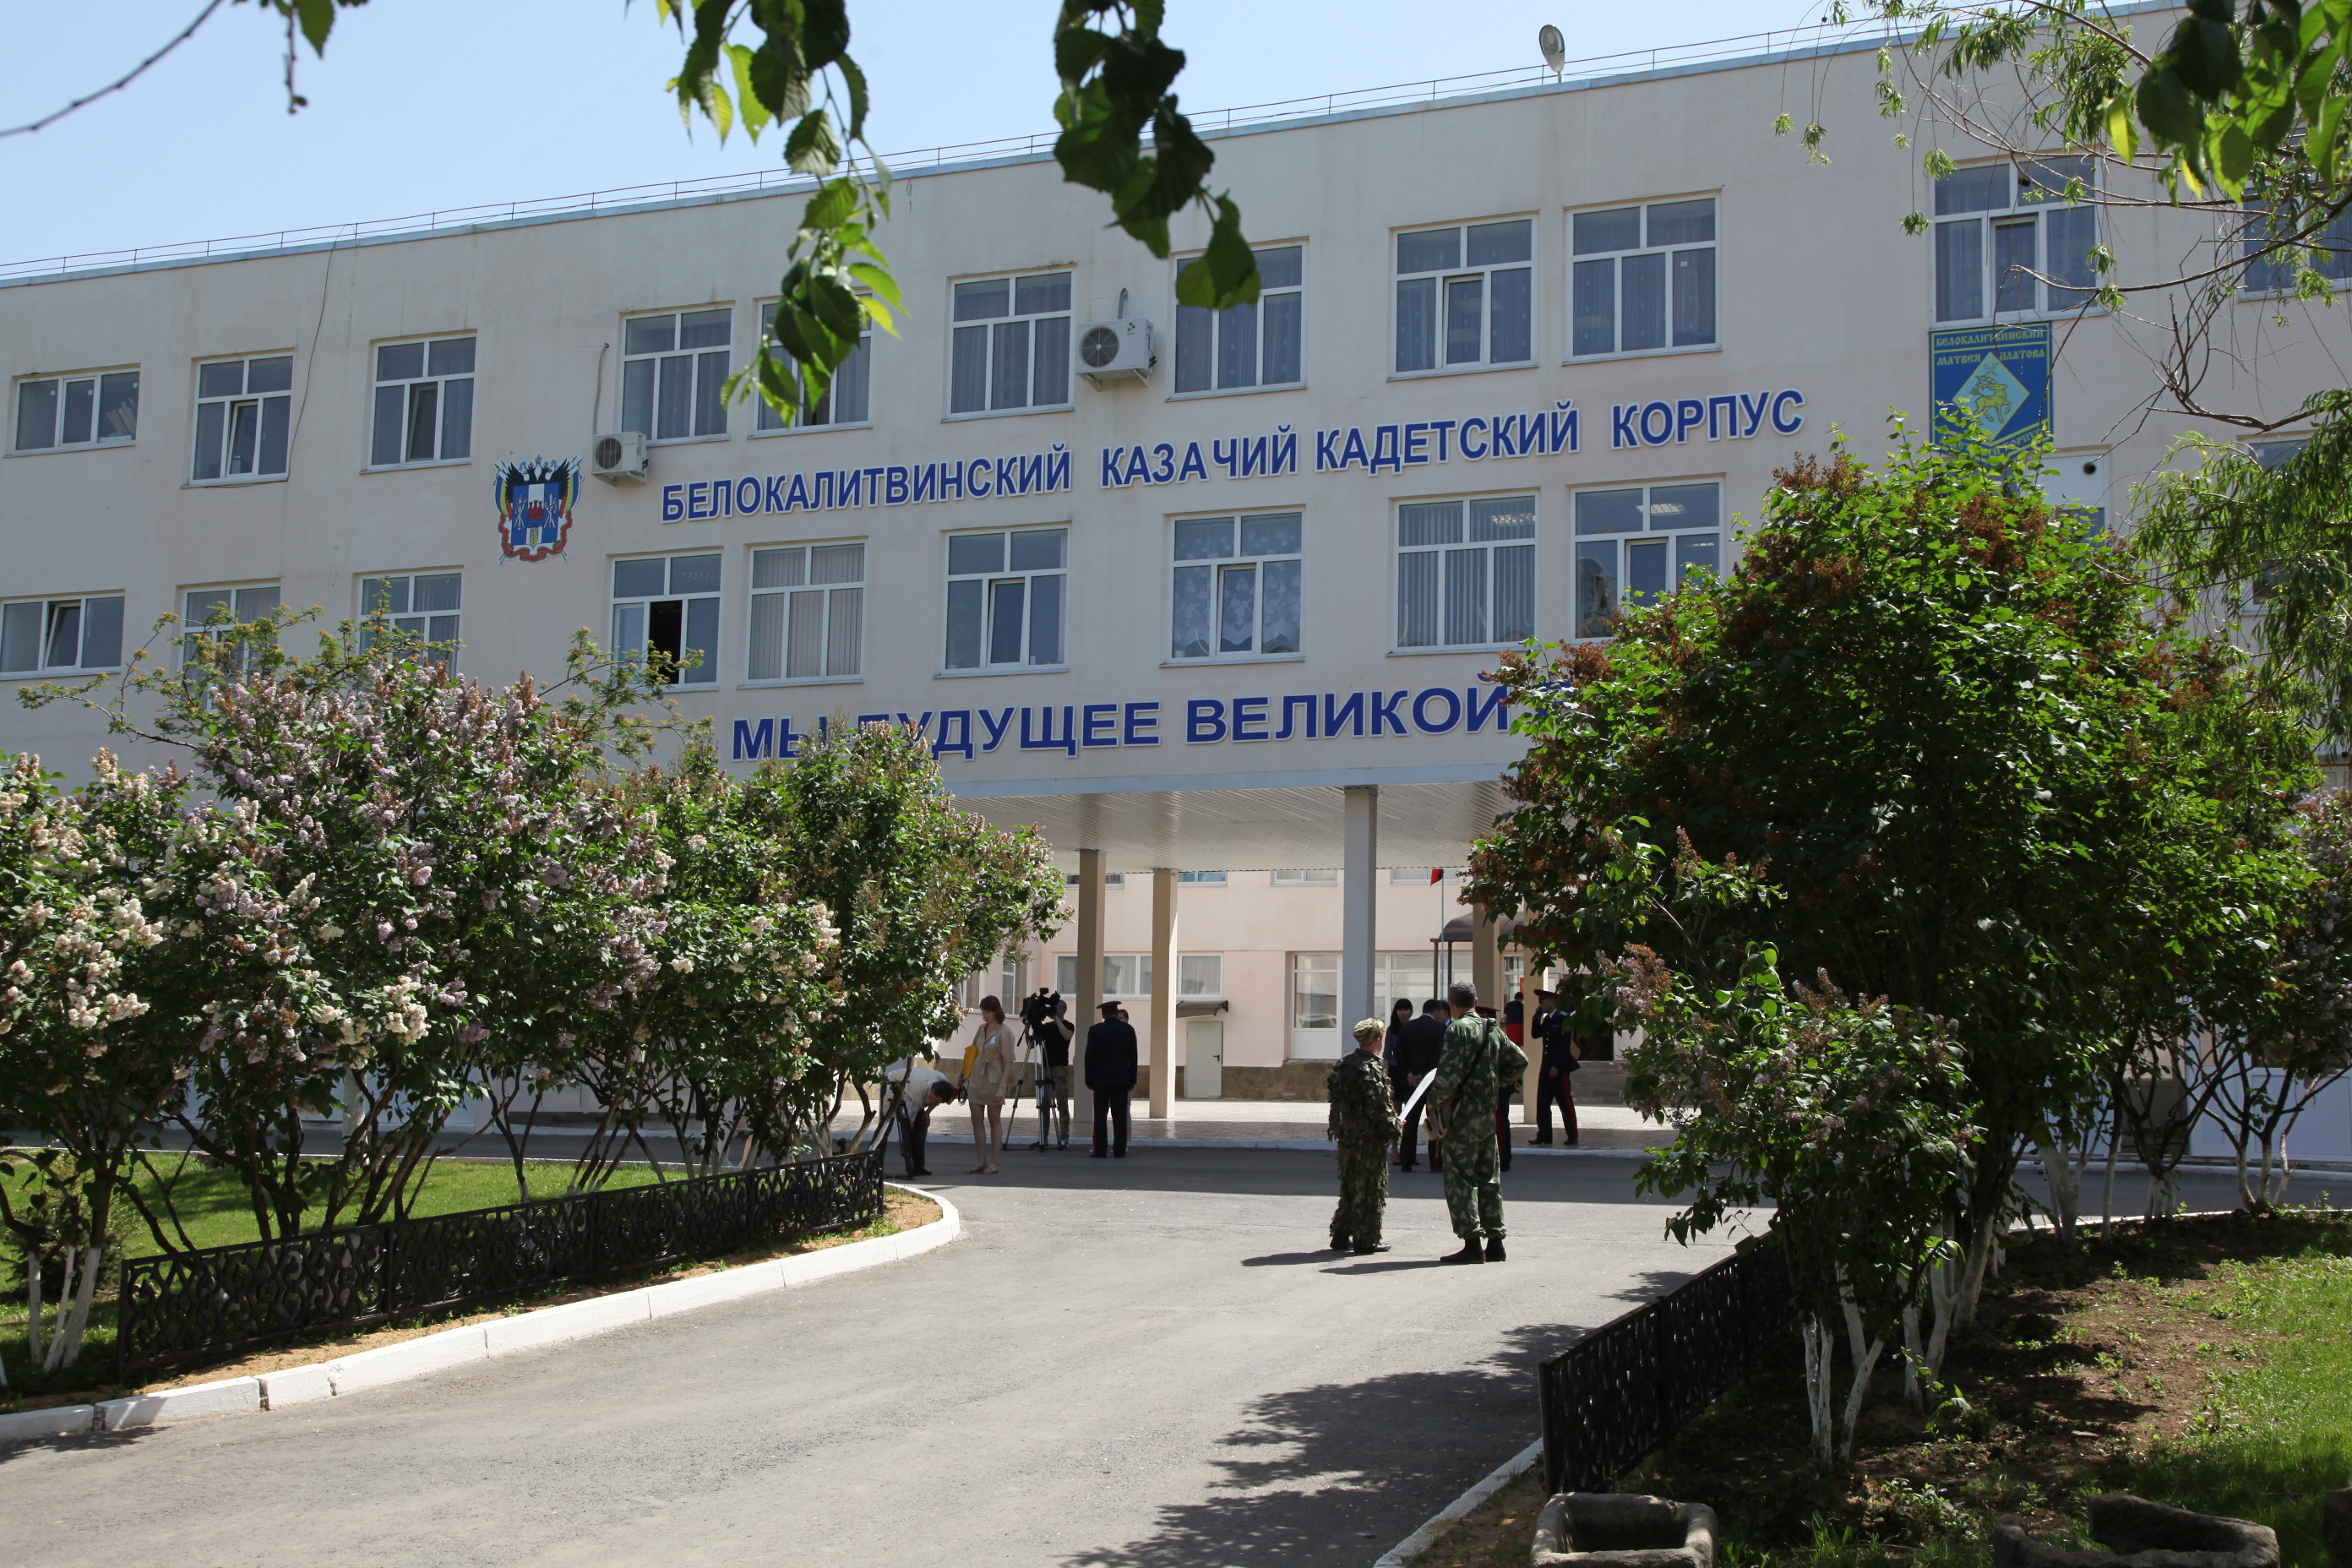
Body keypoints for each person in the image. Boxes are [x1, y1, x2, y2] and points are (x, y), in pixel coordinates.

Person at [1427, 979, 1527, 1264]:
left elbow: (1448, 1076)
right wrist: (1496, 1082)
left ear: (1451, 1003)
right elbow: (1520, 1061)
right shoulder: (1490, 1028)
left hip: (1462, 1117)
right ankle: (1495, 1242)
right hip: (1486, 1116)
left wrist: (1433, 1101)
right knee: (1489, 1179)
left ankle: (1472, 1243)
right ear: (1476, 1001)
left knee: (1460, 1179)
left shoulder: (1457, 1030)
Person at [1327, 1018, 1397, 1254]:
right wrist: (1392, 1127)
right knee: (1369, 1188)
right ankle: (1366, 1239)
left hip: (1347, 1136)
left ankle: (1341, 1234)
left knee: (1350, 1186)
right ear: (1377, 1039)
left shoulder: (1344, 1063)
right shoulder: (1371, 1068)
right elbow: (1378, 1107)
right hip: (1369, 1139)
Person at [964, 995, 1016, 1175]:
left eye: (988, 1012)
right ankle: (981, 1161)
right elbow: (972, 1052)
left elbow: (1008, 1061)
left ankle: (994, 1162)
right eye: (984, 1012)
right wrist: (964, 1074)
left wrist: (1002, 1086)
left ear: (996, 1012)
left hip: (994, 1079)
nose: (985, 1015)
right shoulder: (981, 1029)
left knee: (994, 1119)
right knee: (976, 1119)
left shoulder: (1005, 1032)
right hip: (977, 1077)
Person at [1396, 998, 1447, 1173]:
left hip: (1412, 1083)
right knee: (1433, 1121)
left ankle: (1406, 1161)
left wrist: (1409, 1072)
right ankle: (1436, 1163)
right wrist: (1424, 1075)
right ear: (1437, 1012)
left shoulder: (1407, 1027)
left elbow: (1399, 1053)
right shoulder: (1440, 1028)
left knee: (1410, 1122)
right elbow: (1439, 1055)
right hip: (1432, 1082)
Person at [881, 1056, 954, 1177]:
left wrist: (927, 1113)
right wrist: (909, 1156)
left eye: (939, 1102)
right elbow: (909, 1123)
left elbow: (937, 1101)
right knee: (885, 1128)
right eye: (935, 1100)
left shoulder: (943, 1082)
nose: (936, 1103)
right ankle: (877, 1167)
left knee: (921, 1129)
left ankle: (919, 1167)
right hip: (893, 1082)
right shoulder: (916, 1096)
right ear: (932, 1092)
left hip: (913, 1084)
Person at [1084, 999, 1138, 1157]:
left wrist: (1089, 1080)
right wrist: (1132, 1080)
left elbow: (1089, 1058)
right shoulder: (1128, 1030)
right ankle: (1120, 1150)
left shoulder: (1095, 1030)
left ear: (1103, 1015)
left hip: (1100, 1081)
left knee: (1100, 1118)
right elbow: (1133, 1058)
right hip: (1121, 1081)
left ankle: (1100, 1150)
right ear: (1116, 1013)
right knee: (1120, 1117)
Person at [1531, 988, 1580, 1146]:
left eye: (1542, 1002)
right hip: (1546, 1067)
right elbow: (1535, 1034)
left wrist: (1557, 1066)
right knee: (1542, 1104)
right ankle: (1544, 1135)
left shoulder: (1564, 1019)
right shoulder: (1547, 1019)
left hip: (1560, 1068)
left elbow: (1564, 1047)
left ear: (1551, 1002)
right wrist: (1536, 1017)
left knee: (1565, 1103)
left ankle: (1572, 1136)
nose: (1540, 1005)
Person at [1029, 996, 1075, 1151]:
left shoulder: (1068, 1025)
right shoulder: (1046, 1027)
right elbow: (1031, 1044)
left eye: (1056, 1009)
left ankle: (1064, 1138)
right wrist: (1028, 1026)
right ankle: (1043, 1137)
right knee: (1044, 1104)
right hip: (1046, 1067)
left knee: (1062, 1103)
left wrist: (1056, 1018)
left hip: (1061, 1067)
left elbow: (1067, 1036)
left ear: (1062, 1010)